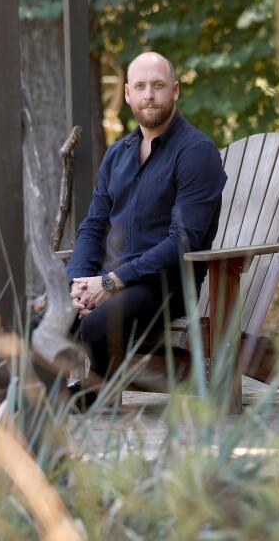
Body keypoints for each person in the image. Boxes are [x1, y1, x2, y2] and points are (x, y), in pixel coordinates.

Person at [65, 51, 227, 383]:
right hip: (107, 280)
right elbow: (93, 225)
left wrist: (110, 283)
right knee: (37, 321)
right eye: (140, 86)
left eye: (158, 85)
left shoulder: (196, 153)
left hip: (164, 286)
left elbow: (181, 242)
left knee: (96, 325)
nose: (149, 95)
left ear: (175, 90)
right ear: (127, 94)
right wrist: (79, 282)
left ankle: (94, 395)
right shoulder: (117, 155)